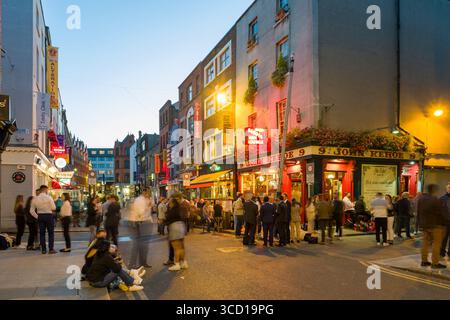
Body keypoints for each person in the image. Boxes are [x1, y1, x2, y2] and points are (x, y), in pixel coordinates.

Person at [418, 184, 447, 269]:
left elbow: (418, 211)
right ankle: (435, 263)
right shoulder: (435, 199)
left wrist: (419, 223)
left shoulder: (421, 199)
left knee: (425, 243)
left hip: (424, 225)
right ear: (433, 190)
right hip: (435, 225)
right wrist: (444, 222)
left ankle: (424, 261)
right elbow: (440, 213)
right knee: (436, 244)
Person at [128, 191, 153, 270]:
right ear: (145, 193)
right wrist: (148, 206)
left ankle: (141, 262)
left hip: (139, 222)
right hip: (141, 222)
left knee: (141, 244)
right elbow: (141, 212)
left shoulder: (141, 200)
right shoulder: (141, 200)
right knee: (139, 244)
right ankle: (134, 264)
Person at [30, 185, 56, 254]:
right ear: (45, 190)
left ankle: (43, 249)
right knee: (51, 233)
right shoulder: (49, 197)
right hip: (49, 216)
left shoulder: (35, 199)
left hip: (40, 216)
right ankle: (51, 249)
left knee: (42, 233)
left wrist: (37, 217)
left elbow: (31, 211)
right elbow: (53, 207)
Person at [165, 196, 188, 272]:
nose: (168, 203)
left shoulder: (172, 210)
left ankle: (177, 264)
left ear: (172, 203)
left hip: (174, 227)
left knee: (176, 247)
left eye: (170, 202)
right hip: (181, 226)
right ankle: (183, 262)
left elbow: (167, 219)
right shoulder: (179, 209)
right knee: (181, 247)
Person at [440, 183, 450, 258]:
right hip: (445, 222)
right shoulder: (442, 198)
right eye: (449, 187)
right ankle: (442, 251)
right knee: (444, 238)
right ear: (446, 189)